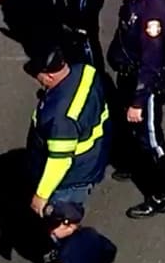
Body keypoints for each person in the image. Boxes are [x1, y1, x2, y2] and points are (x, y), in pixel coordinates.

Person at [107, 0, 165, 219]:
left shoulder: (153, 12)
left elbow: (152, 60)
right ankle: (136, 165)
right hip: (127, 74)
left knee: (151, 139)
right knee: (132, 130)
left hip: (143, 85)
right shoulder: (134, 1)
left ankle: (160, 195)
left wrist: (138, 100)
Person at [26, 50, 111, 217]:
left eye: (38, 75)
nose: (37, 79)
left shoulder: (61, 118)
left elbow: (59, 161)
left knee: (61, 224)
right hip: (94, 155)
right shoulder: (86, 71)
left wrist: (41, 195)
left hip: (71, 177)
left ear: (49, 76)